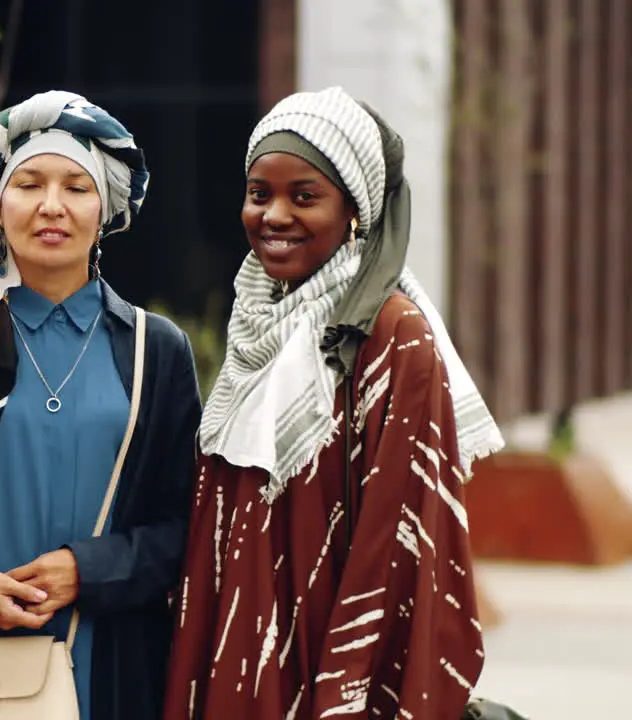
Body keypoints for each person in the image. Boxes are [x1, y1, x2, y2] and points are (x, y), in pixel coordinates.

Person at [162, 87, 505, 719]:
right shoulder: (252, 328)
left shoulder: (392, 335)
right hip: (240, 659)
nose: (274, 215)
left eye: (305, 196)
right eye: (259, 193)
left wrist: (342, 698)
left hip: (334, 673)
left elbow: (397, 545)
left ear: (356, 211)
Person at [0, 90, 202, 720]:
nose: (52, 206)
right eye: (29, 183)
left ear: (105, 206)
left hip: (113, 672)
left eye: (76, 187)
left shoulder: (153, 351)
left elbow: (184, 525)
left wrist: (90, 570)